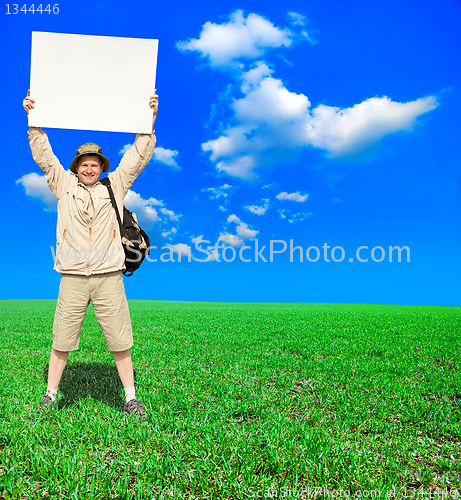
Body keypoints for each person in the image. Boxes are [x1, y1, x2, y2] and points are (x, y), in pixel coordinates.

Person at [23, 89, 159, 419]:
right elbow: (44, 155)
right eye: (83, 164)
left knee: (119, 340)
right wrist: (33, 120)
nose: (88, 168)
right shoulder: (62, 184)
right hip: (72, 276)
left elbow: (136, 157)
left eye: (94, 163)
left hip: (108, 276)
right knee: (62, 338)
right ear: (76, 167)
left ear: (101, 167)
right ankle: (51, 395)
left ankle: (130, 398)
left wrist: (149, 118)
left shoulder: (115, 186)